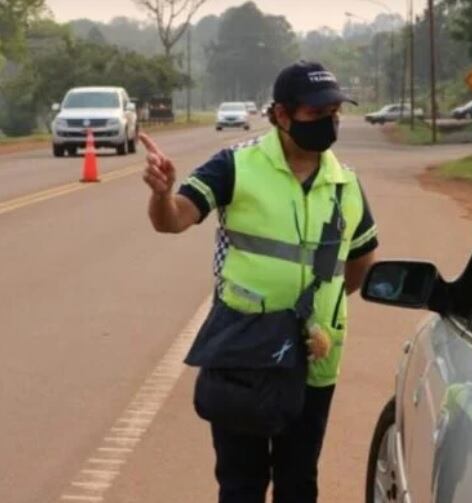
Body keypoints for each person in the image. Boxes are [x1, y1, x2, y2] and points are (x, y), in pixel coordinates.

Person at [139, 60, 378, 503]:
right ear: (282, 115)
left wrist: (313, 313)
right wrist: (161, 194)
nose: (328, 123)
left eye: (334, 114)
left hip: (314, 360)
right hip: (244, 356)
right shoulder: (235, 165)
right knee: (241, 485)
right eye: (316, 114)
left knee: (299, 483)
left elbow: (362, 265)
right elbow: (173, 221)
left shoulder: (346, 184)